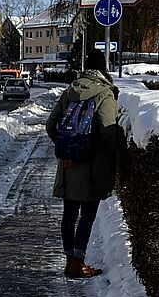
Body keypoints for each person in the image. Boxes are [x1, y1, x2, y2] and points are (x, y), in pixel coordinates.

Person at [45, 49, 125, 279]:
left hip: (69, 165)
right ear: (103, 69)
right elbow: (109, 131)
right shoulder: (105, 94)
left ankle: (70, 260)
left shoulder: (70, 91)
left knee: (69, 216)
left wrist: (66, 147)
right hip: (93, 167)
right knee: (87, 215)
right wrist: (115, 158)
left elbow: (51, 126)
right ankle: (77, 264)